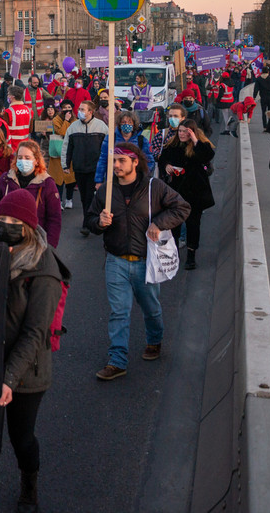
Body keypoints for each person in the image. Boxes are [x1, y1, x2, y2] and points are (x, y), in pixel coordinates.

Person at [0, 189, 69, 513]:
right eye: (2, 220)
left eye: (14, 221)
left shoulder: (43, 268)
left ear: (29, 227)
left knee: (21, 438)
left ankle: (29, 483)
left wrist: (9, 378)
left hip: (26, 372)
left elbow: (35, 333)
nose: (5, 226)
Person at [86, 143, 191, 380]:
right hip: (115, 261)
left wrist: (159, 223)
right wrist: (99, 222)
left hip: (146, 261)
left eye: (121, 161)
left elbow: (182, 207)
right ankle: (117, 360)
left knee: (151, 309)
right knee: (119, 311)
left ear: (135, 162)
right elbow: (90, 221)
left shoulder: (154, 187)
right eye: (114, 161)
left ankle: (154, 340)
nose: (116, 165)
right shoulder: (106, 190)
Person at [157, 121, 215, 270]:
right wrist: (166, 166)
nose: (182, 134)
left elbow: (207, 155)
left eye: (185, 132)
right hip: (176, 192)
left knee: (193, 225)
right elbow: (162, 158)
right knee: (174, 225)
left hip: (195, 192)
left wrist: (195, 140)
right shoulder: (172, 145)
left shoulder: (199, 145)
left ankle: (191, 255)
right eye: (180, 131)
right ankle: (174, 254)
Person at [0, 139, 63, 249]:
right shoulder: (6, 179)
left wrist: (50, 247)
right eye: (20, 157)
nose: (23, 161)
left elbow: (54, 218)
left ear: (37, 160)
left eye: (27, 158)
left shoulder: (47, 184)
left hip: (34, 243)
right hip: (7, 239)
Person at [62, 100, 108, 235]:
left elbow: (107, 147)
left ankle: (87, 223)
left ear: (90, 112)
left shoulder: (101, 127)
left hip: (95, 168)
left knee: (89, 195)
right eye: (79, 109)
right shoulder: (73, 127)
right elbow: (67, 146)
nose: (79, 111)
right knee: (84, 196)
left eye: (83, 109)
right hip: (79, 168)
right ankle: (90, 218)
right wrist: (65, 164)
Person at [94, 111, 155, 185]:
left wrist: (142, 176)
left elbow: (150, 161)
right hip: (114, 181)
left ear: (134, 124)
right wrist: (99, 181)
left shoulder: (141, 140)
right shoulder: (110, 139)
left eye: (130, 122)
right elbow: (102, 160)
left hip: (135, 182)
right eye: (123, 122)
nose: (127, 124)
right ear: (119, 124)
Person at [47, 101, 77, 209]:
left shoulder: (76, 120)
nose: (67, 110)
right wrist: (66, 120)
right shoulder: (56, 120)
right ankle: (58, 200)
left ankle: (69, 199)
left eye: (69, 107)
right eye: (64, 108)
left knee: (70, 178)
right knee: (58, 179)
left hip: (71, 152)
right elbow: (62, 132)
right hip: (58, 153)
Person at [4, 85, 33, 152]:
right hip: (25, 146)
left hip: (12, 147)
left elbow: (4, 132)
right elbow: (30, 130)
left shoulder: (8, 112)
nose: (7, 96)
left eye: (8, 94)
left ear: (12, 96)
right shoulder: (29, 110)